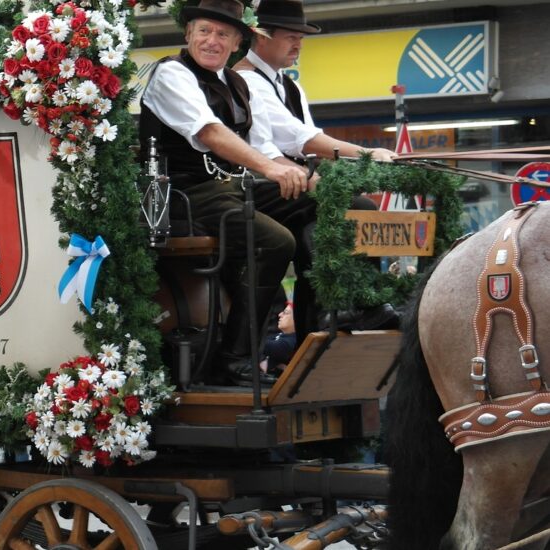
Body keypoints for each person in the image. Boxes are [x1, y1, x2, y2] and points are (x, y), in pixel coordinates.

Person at [140, 0, 311, 386]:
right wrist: (270, 169)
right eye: (204, 31)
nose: (211, 41)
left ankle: (320, 326)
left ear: (237, 43)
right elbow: (208, 132)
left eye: (222, 34)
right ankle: (235, 359)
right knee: (275, 240)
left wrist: (298, 174)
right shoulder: (172, 73)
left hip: (231, 188)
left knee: (313, 204)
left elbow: (262, 147)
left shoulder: (235, 82)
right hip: (182, 193)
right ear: (188, 34)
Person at [231, 0, 399, 335]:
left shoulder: (289, 85)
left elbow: (305, 144)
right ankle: (350, 305)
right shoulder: (245, 80)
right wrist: (366, 154)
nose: (298, 45)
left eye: (301, 38)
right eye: (291, 36)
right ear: (260, 36)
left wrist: (344, 168)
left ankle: (329, 315)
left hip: (289, 183)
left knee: (331, 220)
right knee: (354, 206)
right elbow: (299, 139)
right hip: (255, 187)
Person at [262, 302, 297, 374]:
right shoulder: (280, 335)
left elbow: (260, 345)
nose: (280, 314)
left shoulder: (292, 342)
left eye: (285, 313)